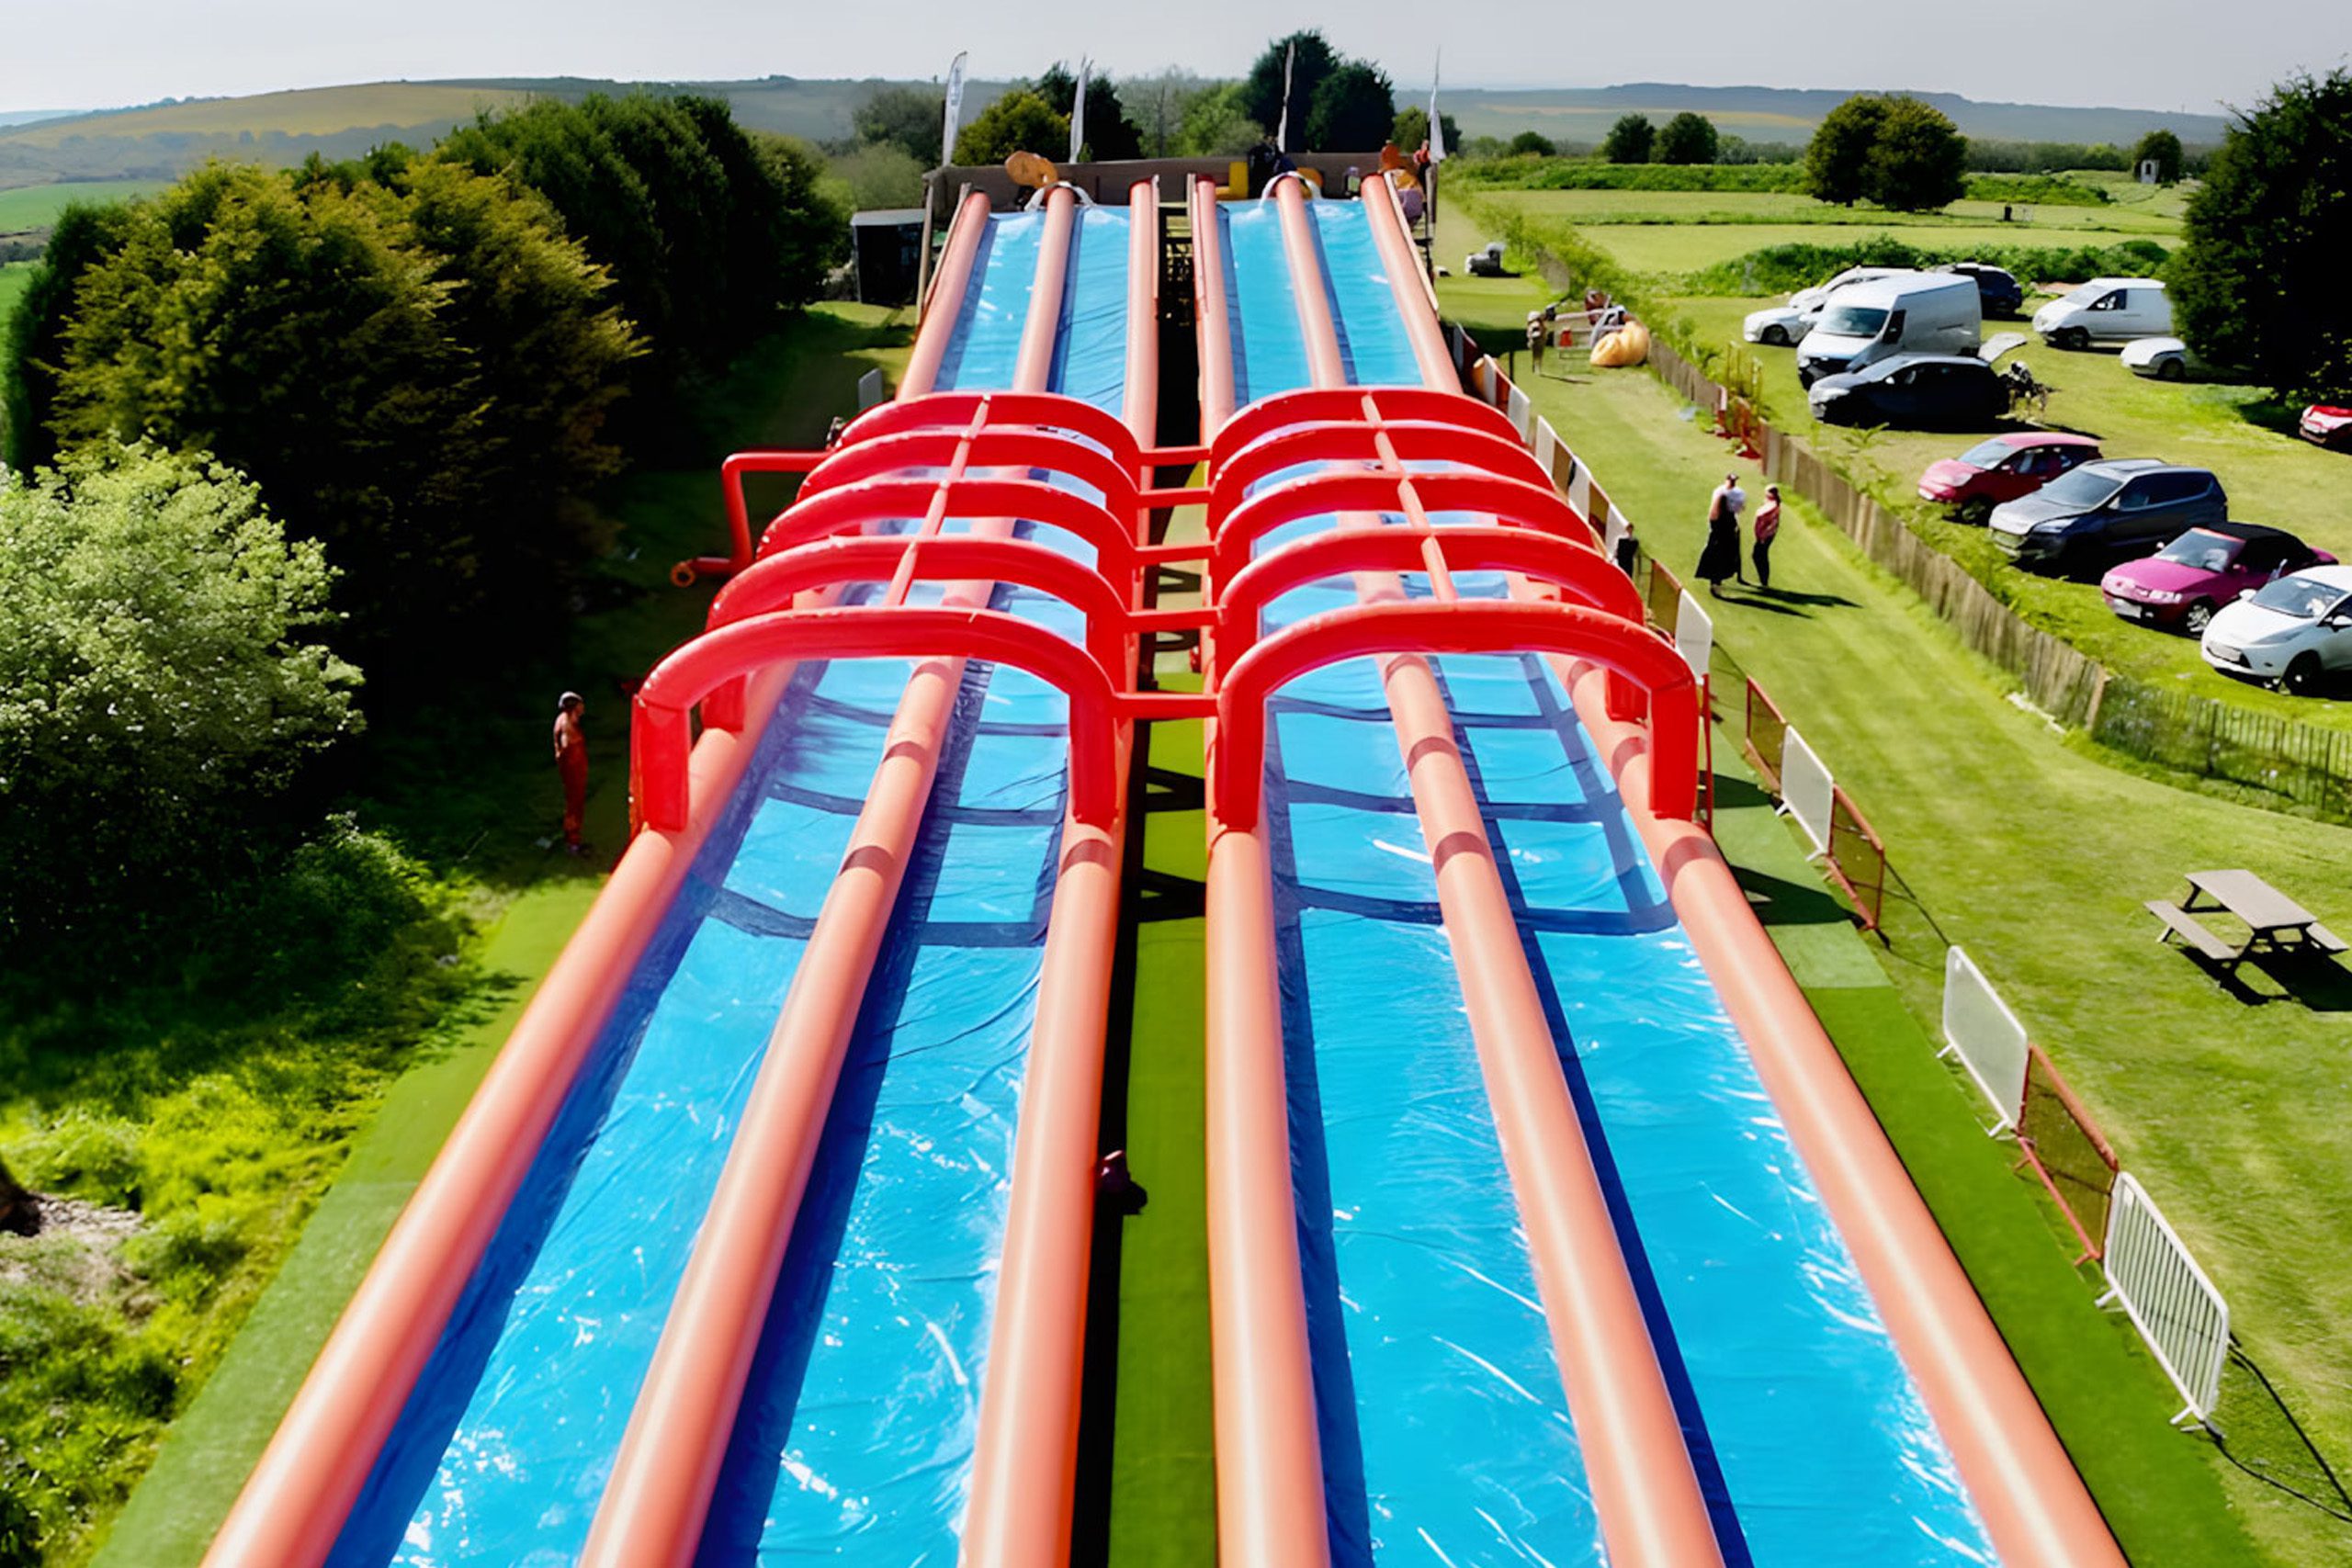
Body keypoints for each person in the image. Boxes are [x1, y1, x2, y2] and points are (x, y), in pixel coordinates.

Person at [1695, 473, 1747, 596]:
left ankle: (1720, 579)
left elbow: (1739, 509)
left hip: (1724, 527)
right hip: (1722, 529)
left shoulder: (1737, 493)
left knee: (1723, 552)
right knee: (1722, 554)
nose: (1731, 482)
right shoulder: (1720, 492)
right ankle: (1716, 581)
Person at [553, 691, 589, 855]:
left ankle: (572, 838)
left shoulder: (564, 719)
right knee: (575, 805)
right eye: (580, 704)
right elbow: (566, 744)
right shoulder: (567, 725)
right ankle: (573, 842)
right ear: (574, 707)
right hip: (573, 771)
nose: (583, 707)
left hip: (574, 770)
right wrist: (571, 760)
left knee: (574, 803)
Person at [1751, 483, 1782, 591]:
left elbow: (1761, 515)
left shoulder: (1773, 505)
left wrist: (1763, 535)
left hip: (1766, 535)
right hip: (1764, 534)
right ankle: (1763, 580)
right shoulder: (1769, 502)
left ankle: (1764, 581)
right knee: (1759, 555)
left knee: (1759, 556)